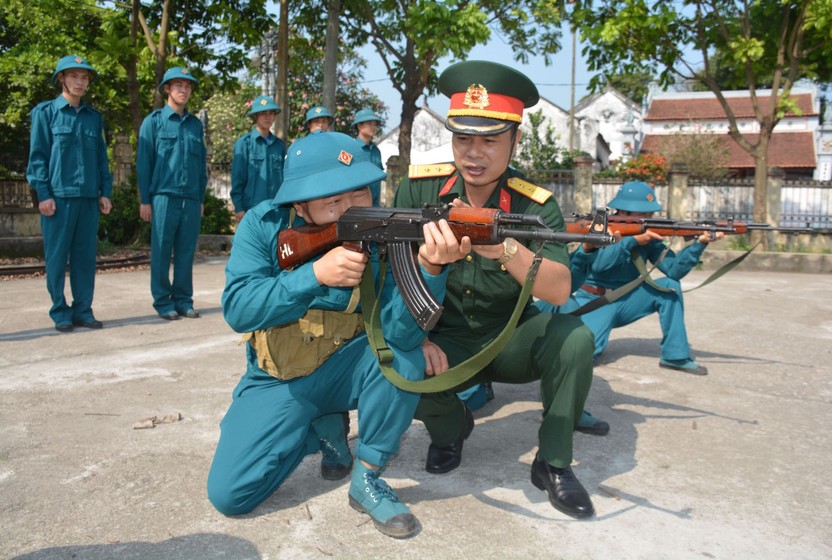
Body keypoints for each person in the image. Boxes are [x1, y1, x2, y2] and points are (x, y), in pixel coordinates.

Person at [206, 131, 467, 539]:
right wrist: (313, 276)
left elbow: (399, 330)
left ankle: (367, 477)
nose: (351, 207)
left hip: (347, 367)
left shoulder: (385, 231)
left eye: (360, 193)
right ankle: (319, 429)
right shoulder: (263, 225)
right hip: (280, 377)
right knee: (230, 494)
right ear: (299, 202)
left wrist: (431, 270)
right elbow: (239, 309)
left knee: (405, 357)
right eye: (333, 200)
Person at [393, 60, 597, 519]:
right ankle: (450, 431)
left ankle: (553, 464)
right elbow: (393, 271)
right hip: (443, 339)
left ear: (515, 140)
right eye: (464, 138)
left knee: (574, 338)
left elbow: (561, 289)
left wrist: (504, 249)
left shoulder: (534, 205)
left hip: (509, 338)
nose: (474, 153)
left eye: (490, 140)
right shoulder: (417, 189)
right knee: (398, 355)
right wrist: (418, 336)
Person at [536, 181, 722, 375]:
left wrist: (699, 243)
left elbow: (673, 270)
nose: (649, 219)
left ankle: (675, 355)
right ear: (623, 213)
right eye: (643, 214)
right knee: (586, 353)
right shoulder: (603, 229)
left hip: (626, 300)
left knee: (670, 286)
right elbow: (600, 265)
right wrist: (631, 241)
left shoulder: (647, 234)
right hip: (595, 301)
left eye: (650, 214)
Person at [26, 55, 113, 333]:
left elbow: (102, 159)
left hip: (88, 198)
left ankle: (83, 310)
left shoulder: (93, 117)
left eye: (84, 77)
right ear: (61, 78)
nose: (80, 81)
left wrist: (105, 192)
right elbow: (38, 157)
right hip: (58, 198)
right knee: (56, 258)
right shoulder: (46, 113)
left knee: (85, 258)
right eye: (74, 75)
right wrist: (43, 194)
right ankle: (60, 310)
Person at [136, 67, 208, 321]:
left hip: (189, 199)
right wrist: (145, 199)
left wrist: (200, 198)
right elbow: (144, 164)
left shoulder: (194, 125)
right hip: (163, 197)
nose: (183, 90)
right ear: (167, 89)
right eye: (178, 85)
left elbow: (201, 166)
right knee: (161, 251)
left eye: (187, 86)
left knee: (186, 252)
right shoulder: (153, 122)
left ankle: (184, 300)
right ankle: (162, 301)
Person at [230, 95, 286, 223]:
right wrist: (239, 208)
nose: (268, 117)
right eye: (263, 113)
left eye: (271, 113)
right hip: (251, 210)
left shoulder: (280, 146)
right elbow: (237, 178)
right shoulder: (244, 144)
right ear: (255, 116)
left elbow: (284, 179)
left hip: (276, 210)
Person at [351, 108, 384, 205]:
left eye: (375, 124)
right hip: (357, 205)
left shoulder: (376, 150)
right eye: (369, 124)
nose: (373, 127)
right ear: (359, 125)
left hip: (375, 205)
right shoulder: (352, 149)